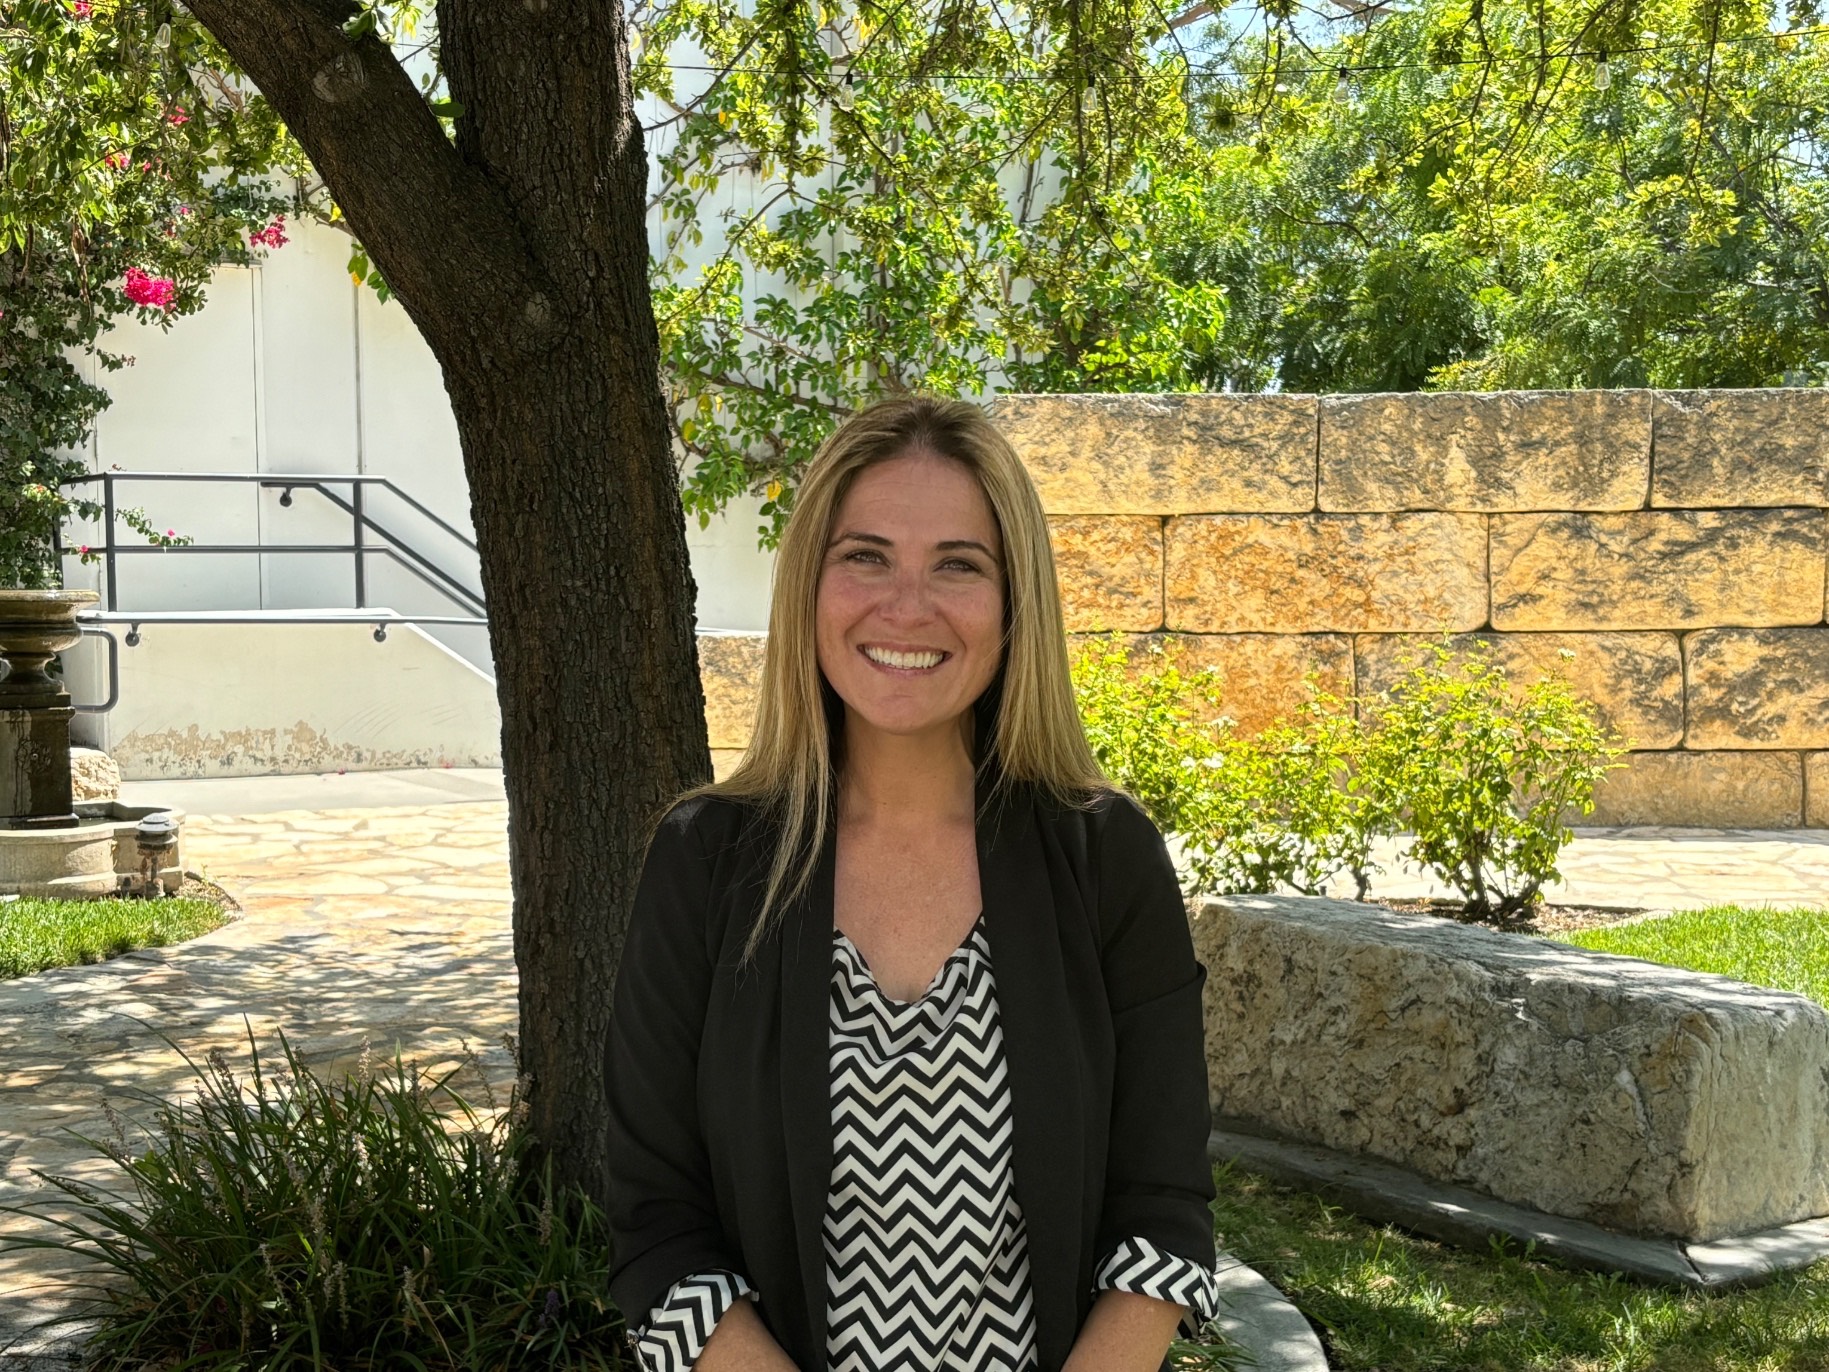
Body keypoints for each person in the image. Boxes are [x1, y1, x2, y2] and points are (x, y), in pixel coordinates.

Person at [605, 395, 1219, 1372]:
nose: (906, 605)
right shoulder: (704, 861)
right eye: (865, 556)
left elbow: (1162, 1216)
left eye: (957, 565)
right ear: (809, 582)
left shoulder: (1106, 859)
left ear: (1013, 601)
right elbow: (654, 1226)